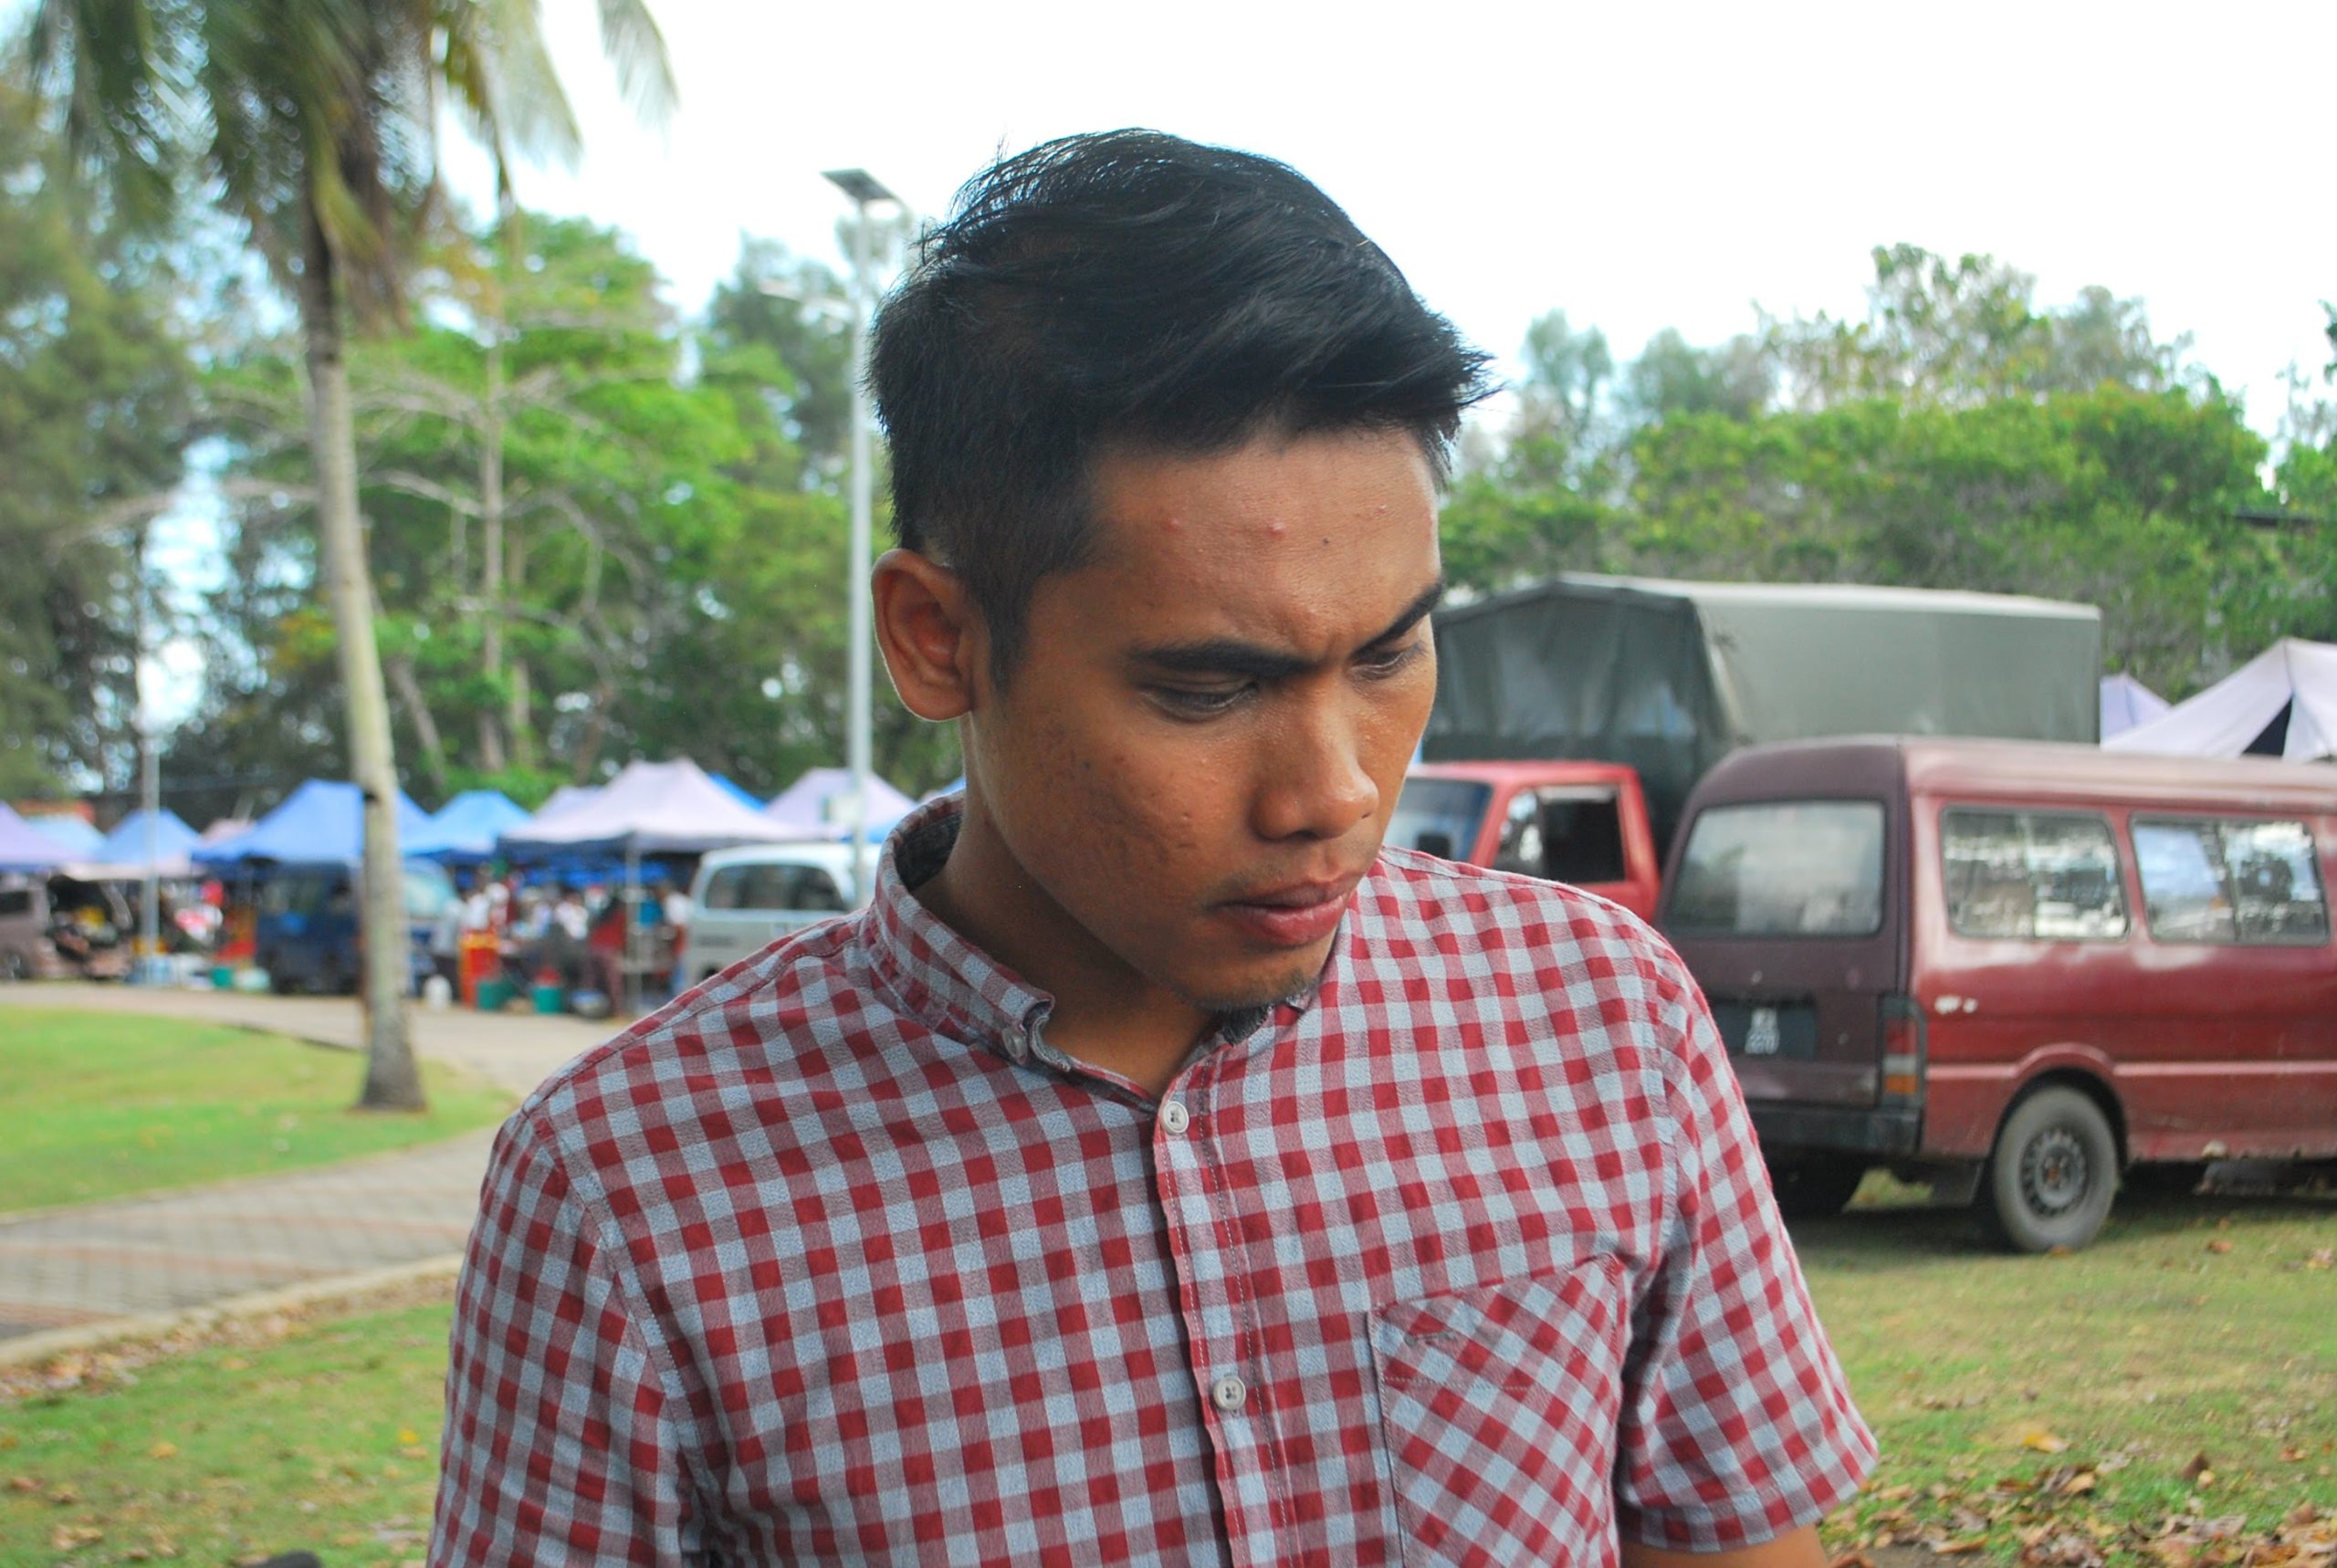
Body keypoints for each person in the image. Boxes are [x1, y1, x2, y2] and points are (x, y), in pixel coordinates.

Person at [434, 131, 1873, 1566]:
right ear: (937, 639)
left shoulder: (1604, 1024)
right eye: (1210, 687)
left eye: (1388, 652)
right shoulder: (630, 1196)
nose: (1334, 793)